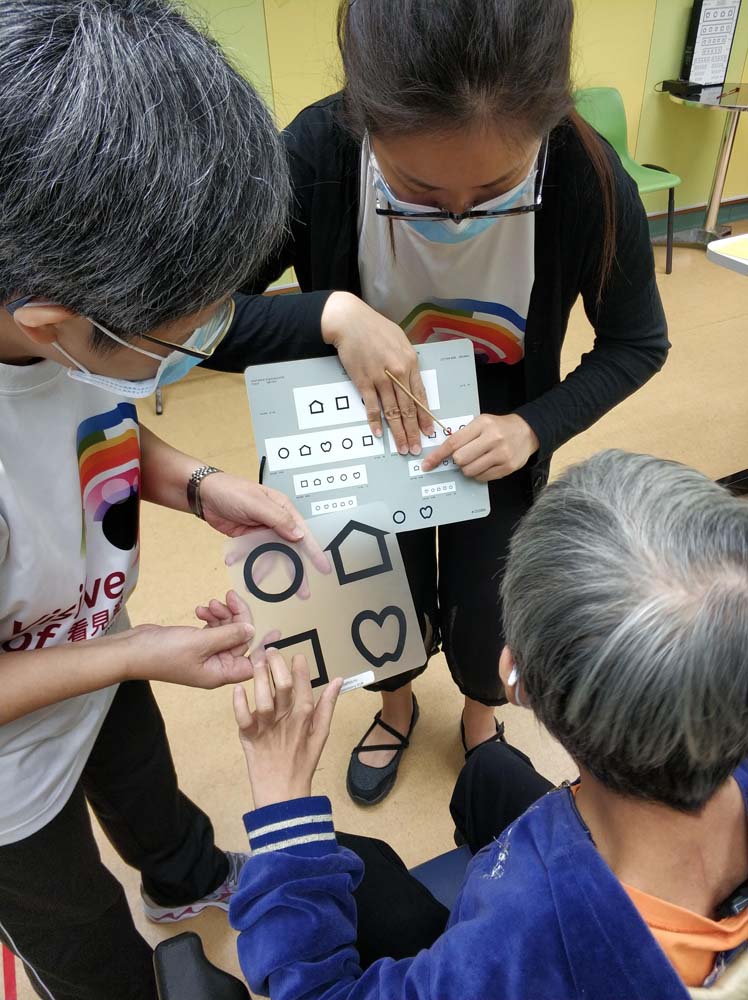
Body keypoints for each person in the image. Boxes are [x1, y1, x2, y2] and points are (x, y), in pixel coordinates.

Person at [210, 0, 670, 804]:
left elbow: (637, 342)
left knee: (486, 604)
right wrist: (328, 314)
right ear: (366, 122)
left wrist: (533, 427)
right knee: (373, 588)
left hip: (497, 425)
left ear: (544, 125)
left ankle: (479, 714)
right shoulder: (317, 153)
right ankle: (395, 707)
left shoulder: (584, 175)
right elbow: (194, 322)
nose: (457, 214)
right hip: (352, 420)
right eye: (418, 190)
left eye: (494, 189)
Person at [0, 3, 329, 998]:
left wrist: (199, 484)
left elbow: (93, 426)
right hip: (12, 778)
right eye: (181, 338)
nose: (197, 348)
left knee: (144, 781)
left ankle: (183, 874)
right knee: (80, 932)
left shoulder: (61, 323)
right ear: (53, 320)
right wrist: (137, 649)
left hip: (94, 636)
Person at [227, 450, 748, 999]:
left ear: (515, 679)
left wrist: (283, 806)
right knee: (488, 771)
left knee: (364, 868)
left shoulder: (508, 949)